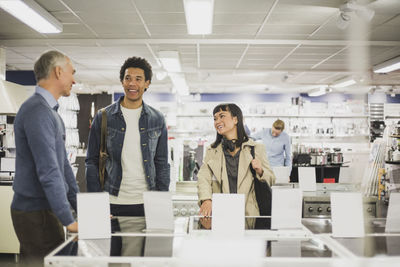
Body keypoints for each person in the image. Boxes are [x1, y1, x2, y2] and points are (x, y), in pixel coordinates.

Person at [11, 50, 79, 262]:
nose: (74, 80)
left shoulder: (50, 113)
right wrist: (69, 220)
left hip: (42, 210)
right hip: (35, 212)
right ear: (58, 72)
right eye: (71, 73)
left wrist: (82, 208)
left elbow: (63, 167)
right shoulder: (37, 111)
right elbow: (49, 171)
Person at [86, 56, 170, 216]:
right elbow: (92, 161)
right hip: (112, 201)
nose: (132, 84)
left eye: (138, 79)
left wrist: (161, 200)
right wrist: (96, 201)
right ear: (122, 81)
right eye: (128, 78)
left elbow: (161, 163)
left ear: (147, 83)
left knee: (146, 242)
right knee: (109, 242)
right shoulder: (103, 116)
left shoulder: (157, 118)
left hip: (146, 202)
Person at [197, 103, 275, 217]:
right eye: (215, 118)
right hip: (221, 214)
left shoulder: (256, 148)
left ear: (235, 119)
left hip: (249, 216)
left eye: (222, 116)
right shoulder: (212, 151)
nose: (217, 121)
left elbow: (271, 179)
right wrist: (206, 199)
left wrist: (260, 171)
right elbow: (203, 177)